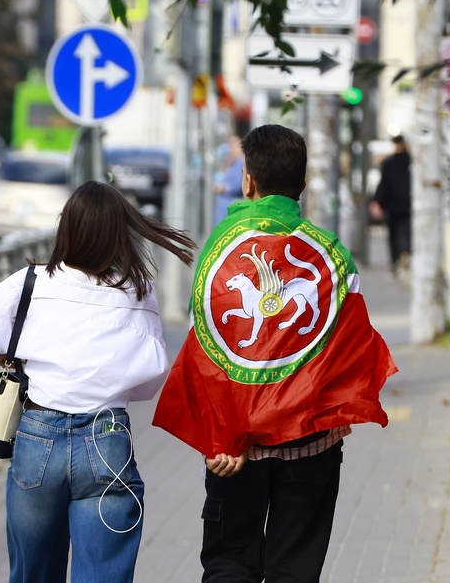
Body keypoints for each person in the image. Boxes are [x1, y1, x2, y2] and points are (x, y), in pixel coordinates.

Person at [153, 124, 397, 583]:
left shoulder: (221, 250)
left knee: (229, 563)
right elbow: (351, 349)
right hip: (311, 446)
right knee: (295, 570)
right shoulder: (332, 255)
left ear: (247, 180)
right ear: (302, 186)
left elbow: (207, 350)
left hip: (237, 451)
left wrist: (221, 439)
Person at [0, 180, 197, 583]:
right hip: (107, 439)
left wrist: (10, 354)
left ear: (66, 228)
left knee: (33, 574)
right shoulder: (138, 291)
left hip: (38, 438)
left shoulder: (31, 282)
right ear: (119, 234)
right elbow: (150, 378)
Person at [370, 135, 412, 276]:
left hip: (393, 204)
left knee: (394, 234)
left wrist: (378, 201)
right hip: (408, 204)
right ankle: (406, 254)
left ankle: (395, 261)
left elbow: (384, 185)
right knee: (406, 231)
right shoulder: (411, 161)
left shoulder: (389, 162)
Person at [213, 134, 245, 226]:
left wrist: (223, 188)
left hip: (233, 205)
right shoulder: (231, 164)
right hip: (223, 206)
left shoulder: (242, 163)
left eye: (233, 146)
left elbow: (238, 186)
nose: (231, 149)